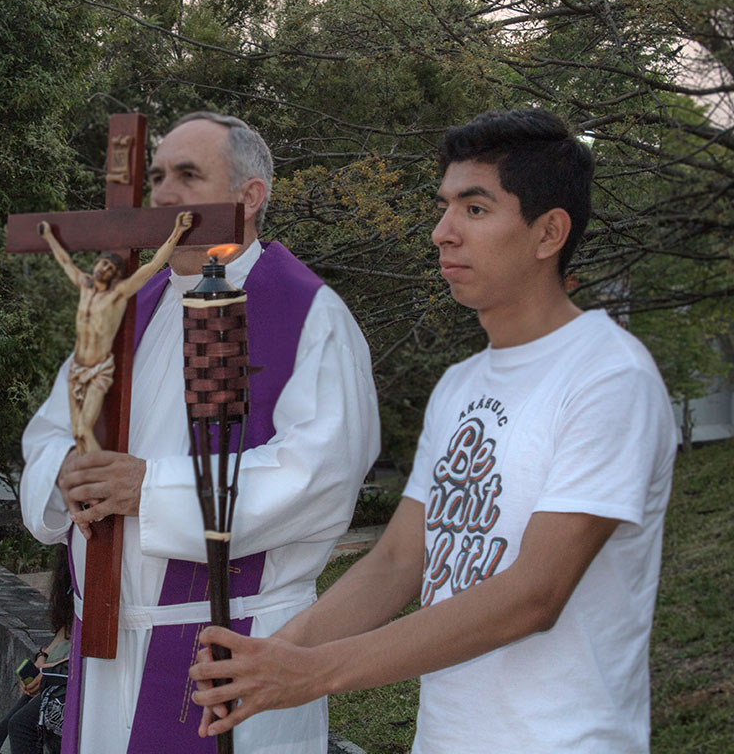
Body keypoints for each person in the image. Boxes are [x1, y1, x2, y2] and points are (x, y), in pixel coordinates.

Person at [190, 108, 677, 753]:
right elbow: (398, 561)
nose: (441, 233)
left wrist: (314, 673)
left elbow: (536, 593)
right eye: (444, 207)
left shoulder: (610, 377)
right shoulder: (461, 386)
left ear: (548, 232)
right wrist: (270, 656)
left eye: (474, 210)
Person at [21, 112, 380, 753]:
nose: (164, 195)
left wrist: (149, 489)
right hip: (102, 645)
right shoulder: (125, 309)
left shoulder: (306, 312)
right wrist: (65, 476)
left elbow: (320, 473)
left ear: (249, 196)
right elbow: (53, 428)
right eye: (157, 177)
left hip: (229, 647)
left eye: (188, 175)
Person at [38, 210, 192, 453]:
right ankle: (96, 482)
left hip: (98, 368)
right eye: (102, 263)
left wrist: (177, 232)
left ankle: (101, 478)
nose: (103, 268)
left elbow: (153, 265)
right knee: (77, 436)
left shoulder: (117, 295)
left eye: (110, 266)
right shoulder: (85, 288)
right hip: (78, 367)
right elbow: (65, 261)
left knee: (83, 430)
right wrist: (49, 237)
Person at [0, 545, 73, 754]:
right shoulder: (69, 558)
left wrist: (52, 670)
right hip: (59, 665)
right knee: (5, 730)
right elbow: (67, 626)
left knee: (21, 727)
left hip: (77, 670)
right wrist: (42, 659)